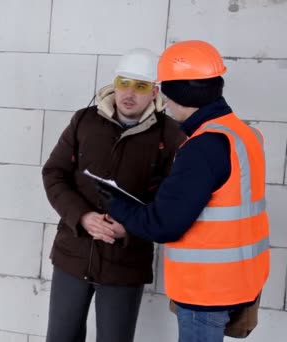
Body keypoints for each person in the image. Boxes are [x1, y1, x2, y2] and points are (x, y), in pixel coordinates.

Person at [104, 40, 270, 342]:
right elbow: (224, 195)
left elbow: (163, 225)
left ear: (178, 95)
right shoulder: (245, 134)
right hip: (243, 281)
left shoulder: (203, 146)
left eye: (166, 94)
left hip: (207, 291)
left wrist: (116, 205)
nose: (164, 103)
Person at [41, 48, 186, 342]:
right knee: (61, 337)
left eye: (140, 86)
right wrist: (82, 217)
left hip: (125, 261)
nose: (129, 93)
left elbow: (172, 201)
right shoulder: (84, 121)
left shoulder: (170, 135)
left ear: (155, 91)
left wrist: (130, 226)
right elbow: (54, 174)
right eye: (123, 82)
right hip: (73, 255)